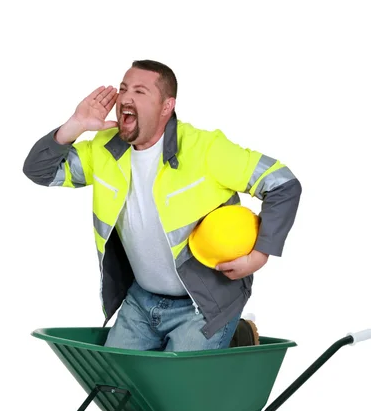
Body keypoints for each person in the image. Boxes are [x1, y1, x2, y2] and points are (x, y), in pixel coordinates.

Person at [23, 60, 301, 352]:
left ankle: (233, 334)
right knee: (116, 388)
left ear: (167, 106)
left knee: (179, 391)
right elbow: (40, 171)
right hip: (141, 300)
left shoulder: (206, 149)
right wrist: (74, 126)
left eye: (140, 91)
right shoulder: (104, 149)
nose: (126, 98)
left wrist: (260, 255)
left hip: (204, 305)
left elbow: (282, 183)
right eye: (123, 88)